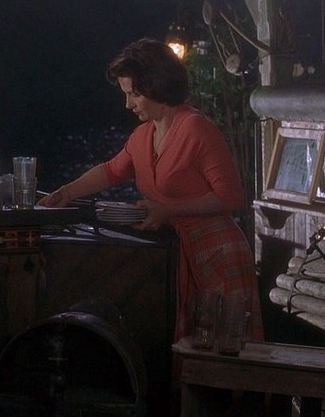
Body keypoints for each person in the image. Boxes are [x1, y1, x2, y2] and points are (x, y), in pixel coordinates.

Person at [39, 38, 263, 344]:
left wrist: (168, 210)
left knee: (224, 351)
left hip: (218, 255)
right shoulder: (143, 135)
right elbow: (112, 170)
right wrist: (65, 193)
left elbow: (231, 196)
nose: (128, 104)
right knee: (190, 350)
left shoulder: (196, 129)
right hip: (178, 252)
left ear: (157, 86)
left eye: (134, 94)